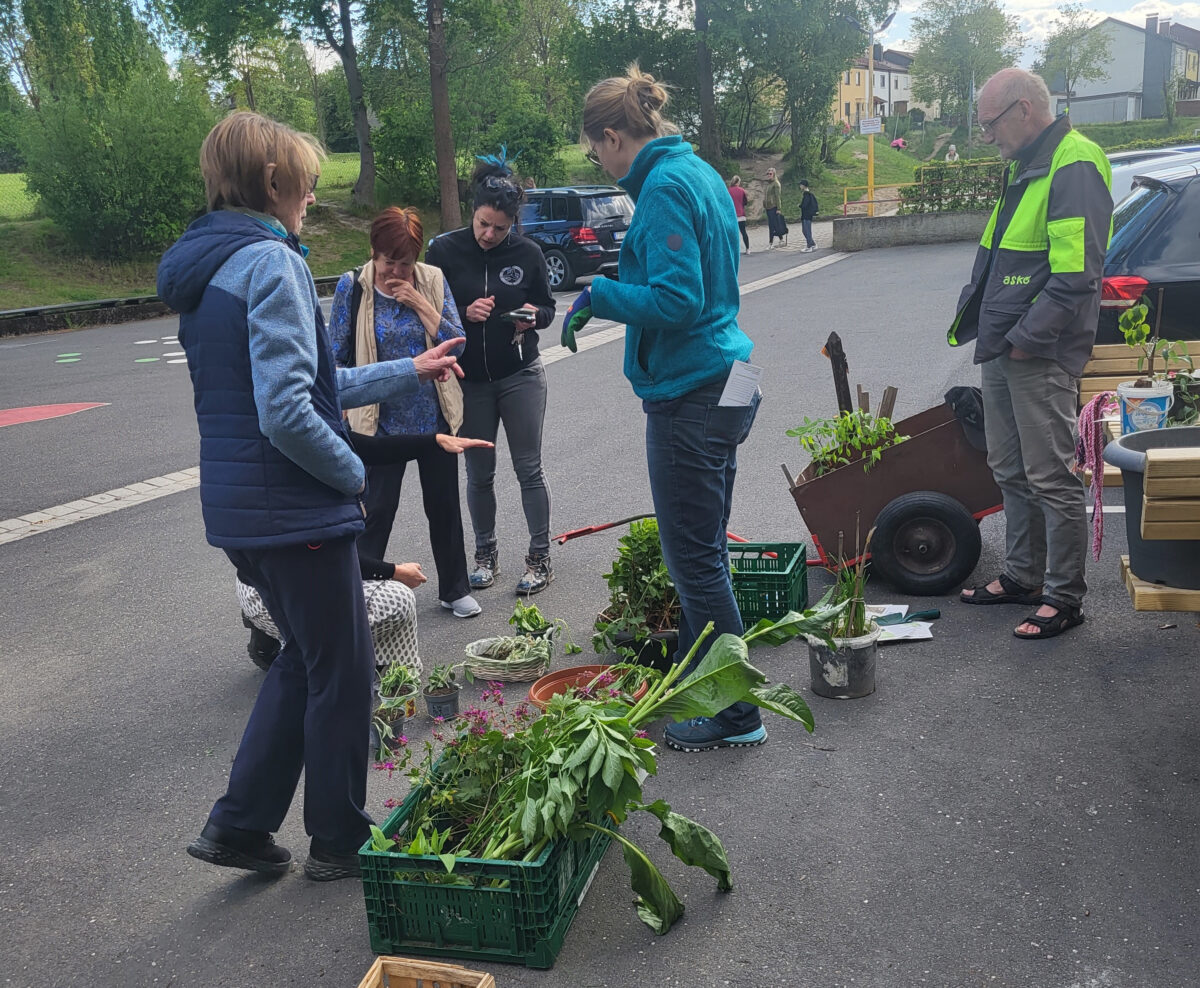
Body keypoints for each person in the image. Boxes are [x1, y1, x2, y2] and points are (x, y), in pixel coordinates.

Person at [157, 111, 465, 881]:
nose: (311, 198)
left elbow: (311, 385)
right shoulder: (271, 263)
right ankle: (339, 839)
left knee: (306, 656)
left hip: (242, 509)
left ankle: (239, 824)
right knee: (344, 672)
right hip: (295, 512)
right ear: (274, 182)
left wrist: (409, 369)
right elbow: (290, 412)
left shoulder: (212, 267)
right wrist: (352, 476)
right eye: (306, 183)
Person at [563, 66, 764, 753]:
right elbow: (701, 280)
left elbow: (679, 300)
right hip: (728, 373)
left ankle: (737, 713)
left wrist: (602, 296)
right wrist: (619, 284)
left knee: (695, 562)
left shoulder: (666, 188)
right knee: (708, 550)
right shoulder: (696, 172)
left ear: (613, 137)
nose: (599, 162)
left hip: (692, 391)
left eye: (596, 150)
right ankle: (698, 677)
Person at [951, 69, 1112, 640]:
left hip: (1037, 349)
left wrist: (1025, 339)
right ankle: (1023, 575)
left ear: (1023, 109)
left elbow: (1077, 274)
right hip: (1005, 342)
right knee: (1009, 468)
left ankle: (1064, 597)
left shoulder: (1074, 161)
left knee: (1050, 476)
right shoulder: (1027, 163)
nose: (987, 136)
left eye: (990, 124)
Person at [327, 207, 481, 619]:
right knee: (376, 510)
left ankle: (454, 589)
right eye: (388, 261)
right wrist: (343, 407)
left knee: (444, 507)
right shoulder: (352, 286)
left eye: (406, 263)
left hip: (434, 417)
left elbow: (457, 343)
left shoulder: (432, 279)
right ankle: (359, 591)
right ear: (373, 253)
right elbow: (334, 355)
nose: (396, 271)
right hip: (379, 422)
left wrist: (418, 301)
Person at [240, 431, 494, 673]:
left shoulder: (309, 446)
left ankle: (368, 670)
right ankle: (322, 662)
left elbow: (373, 447)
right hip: (277, 593)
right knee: (396, 599)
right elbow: (334, 559)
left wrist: (434, 441)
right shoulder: (311, 494)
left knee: (351, 609)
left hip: (271, 579)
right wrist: (394, 572)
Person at [425, 154, 557, 596]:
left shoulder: (528, 253)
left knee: (528, 468)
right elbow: (428, 314)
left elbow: (547, 308)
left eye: (500, 229)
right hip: (470, 382)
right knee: (479, 473)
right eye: (483, 224)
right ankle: (485, 555)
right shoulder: (444, 251)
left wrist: (533, 317)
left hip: (520, 374)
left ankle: (539, 558)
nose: (489, 234)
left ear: (513, 223)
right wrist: (463, 313)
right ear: (473, 212)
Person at [763, 166, 787, 248]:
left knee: (772, 225)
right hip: (768, 207)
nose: (769, 175)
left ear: (774, 174)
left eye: (770, 173)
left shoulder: (776, 184)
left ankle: (771, 243)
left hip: (773, 207)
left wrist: (779, 208)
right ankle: (781, 239)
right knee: (774, 225)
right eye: (768, 174)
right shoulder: (769, 184)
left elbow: (778, 196)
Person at [727, 175, 750, 254]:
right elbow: (745, 202)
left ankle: (733, 250)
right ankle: (747, 249)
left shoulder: (728, 191)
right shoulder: (742, 190)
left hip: (732, 215)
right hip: (741, 214)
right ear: (738, 182)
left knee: (733, 233)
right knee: (743, 232)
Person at [798, 180, 818, 252]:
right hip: (807, 215)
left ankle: (809, 246)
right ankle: (813, 244)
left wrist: (800, 205)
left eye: (801, 185)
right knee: (805, 231)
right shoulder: (808, 194)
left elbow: (805, 205)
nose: (800, 186)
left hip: (806, 215)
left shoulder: (806, 194)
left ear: (803, 185)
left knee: (807, 231)